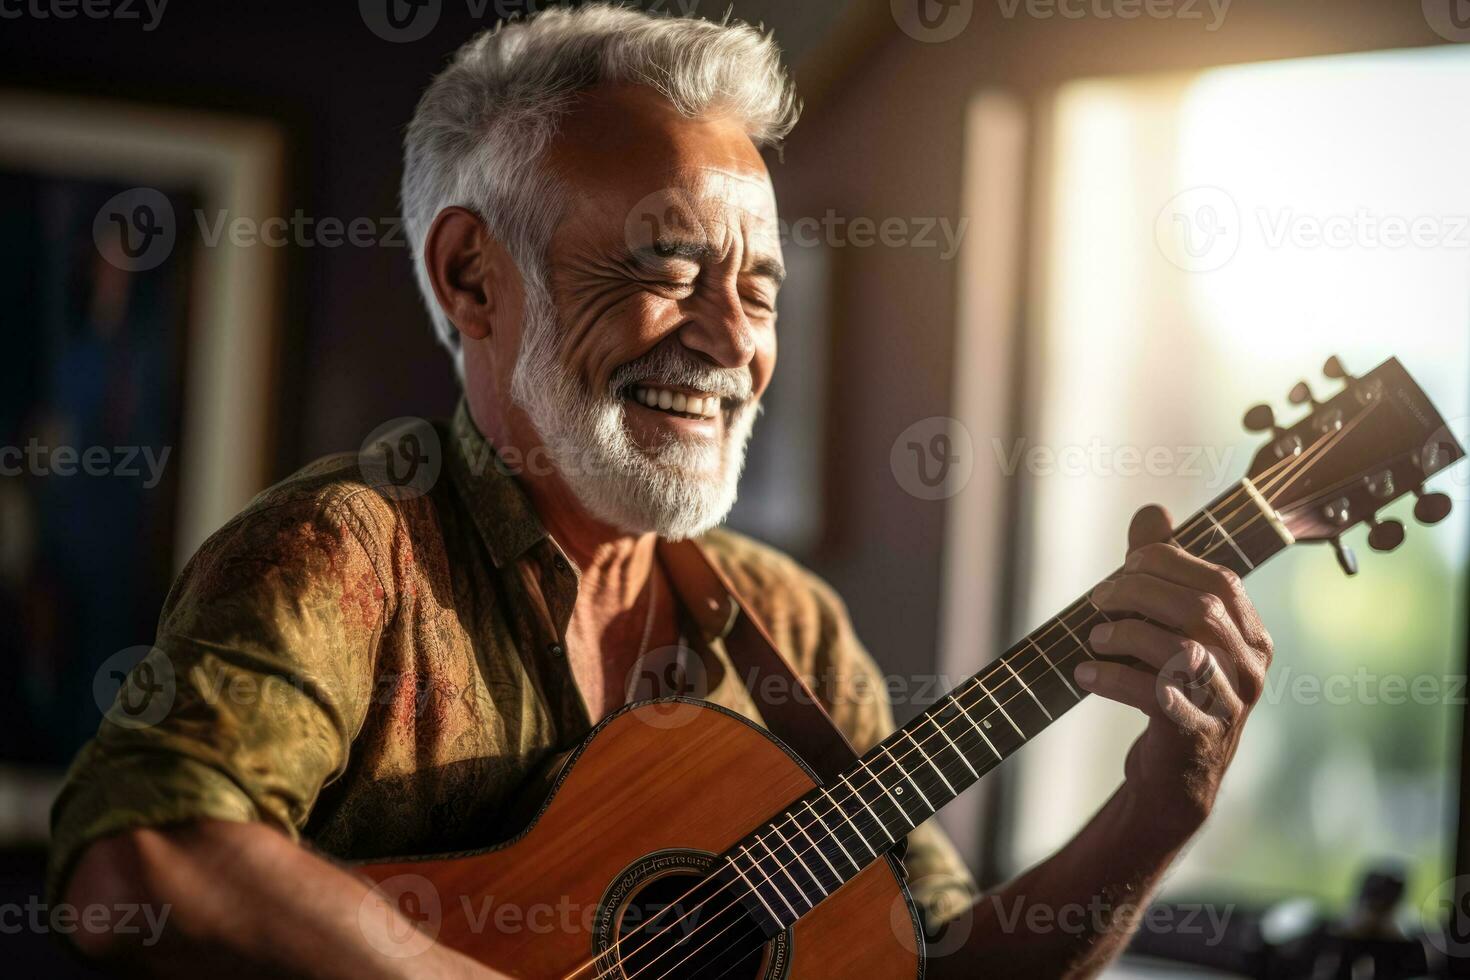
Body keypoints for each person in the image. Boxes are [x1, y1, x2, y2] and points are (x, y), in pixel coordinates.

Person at [50, 5, 1274, 977]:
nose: (729, 341)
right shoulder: (345, 555)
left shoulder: (791, 629)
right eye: (668, 265)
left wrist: (1159, 806)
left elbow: (941, 962)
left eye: (759, 291)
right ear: (475, 278)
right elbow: (141, 861)